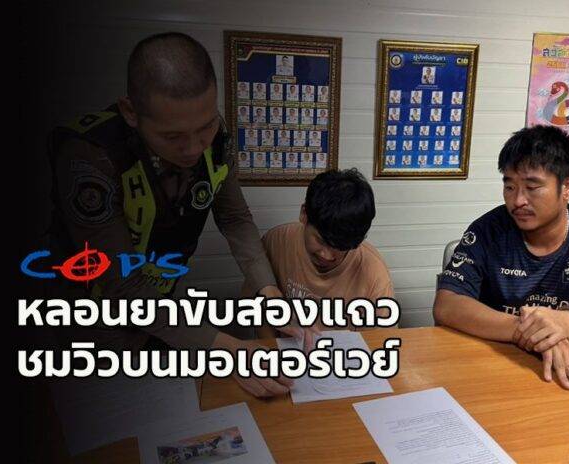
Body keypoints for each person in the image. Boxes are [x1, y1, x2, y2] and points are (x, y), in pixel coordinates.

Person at [48, 32, 313, 398]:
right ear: (130, 112)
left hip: (159, 309)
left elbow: (235, 218)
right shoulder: (90, 157)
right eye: (173, 137)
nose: (193, 148)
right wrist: (229, 348)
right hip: (89, 321)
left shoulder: (214, 138)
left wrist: (269, 292)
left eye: (205, 127)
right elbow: (122, 286)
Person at [433, 125, 569, 390]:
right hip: (491, 363)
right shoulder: (487, 230)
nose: (518, 201)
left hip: (561, 372)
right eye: (509, 186)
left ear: (568, 186)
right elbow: (448, 305)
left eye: (532, 187)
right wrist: (534, 331)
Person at [248, 169, 395, 330]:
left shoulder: (374, 272)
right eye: (321, 240)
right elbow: (255, 307)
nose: (327, 255)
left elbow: (382, 338)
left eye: (340, 247)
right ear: (304, 214)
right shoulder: (276, 241)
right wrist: (271, 343)